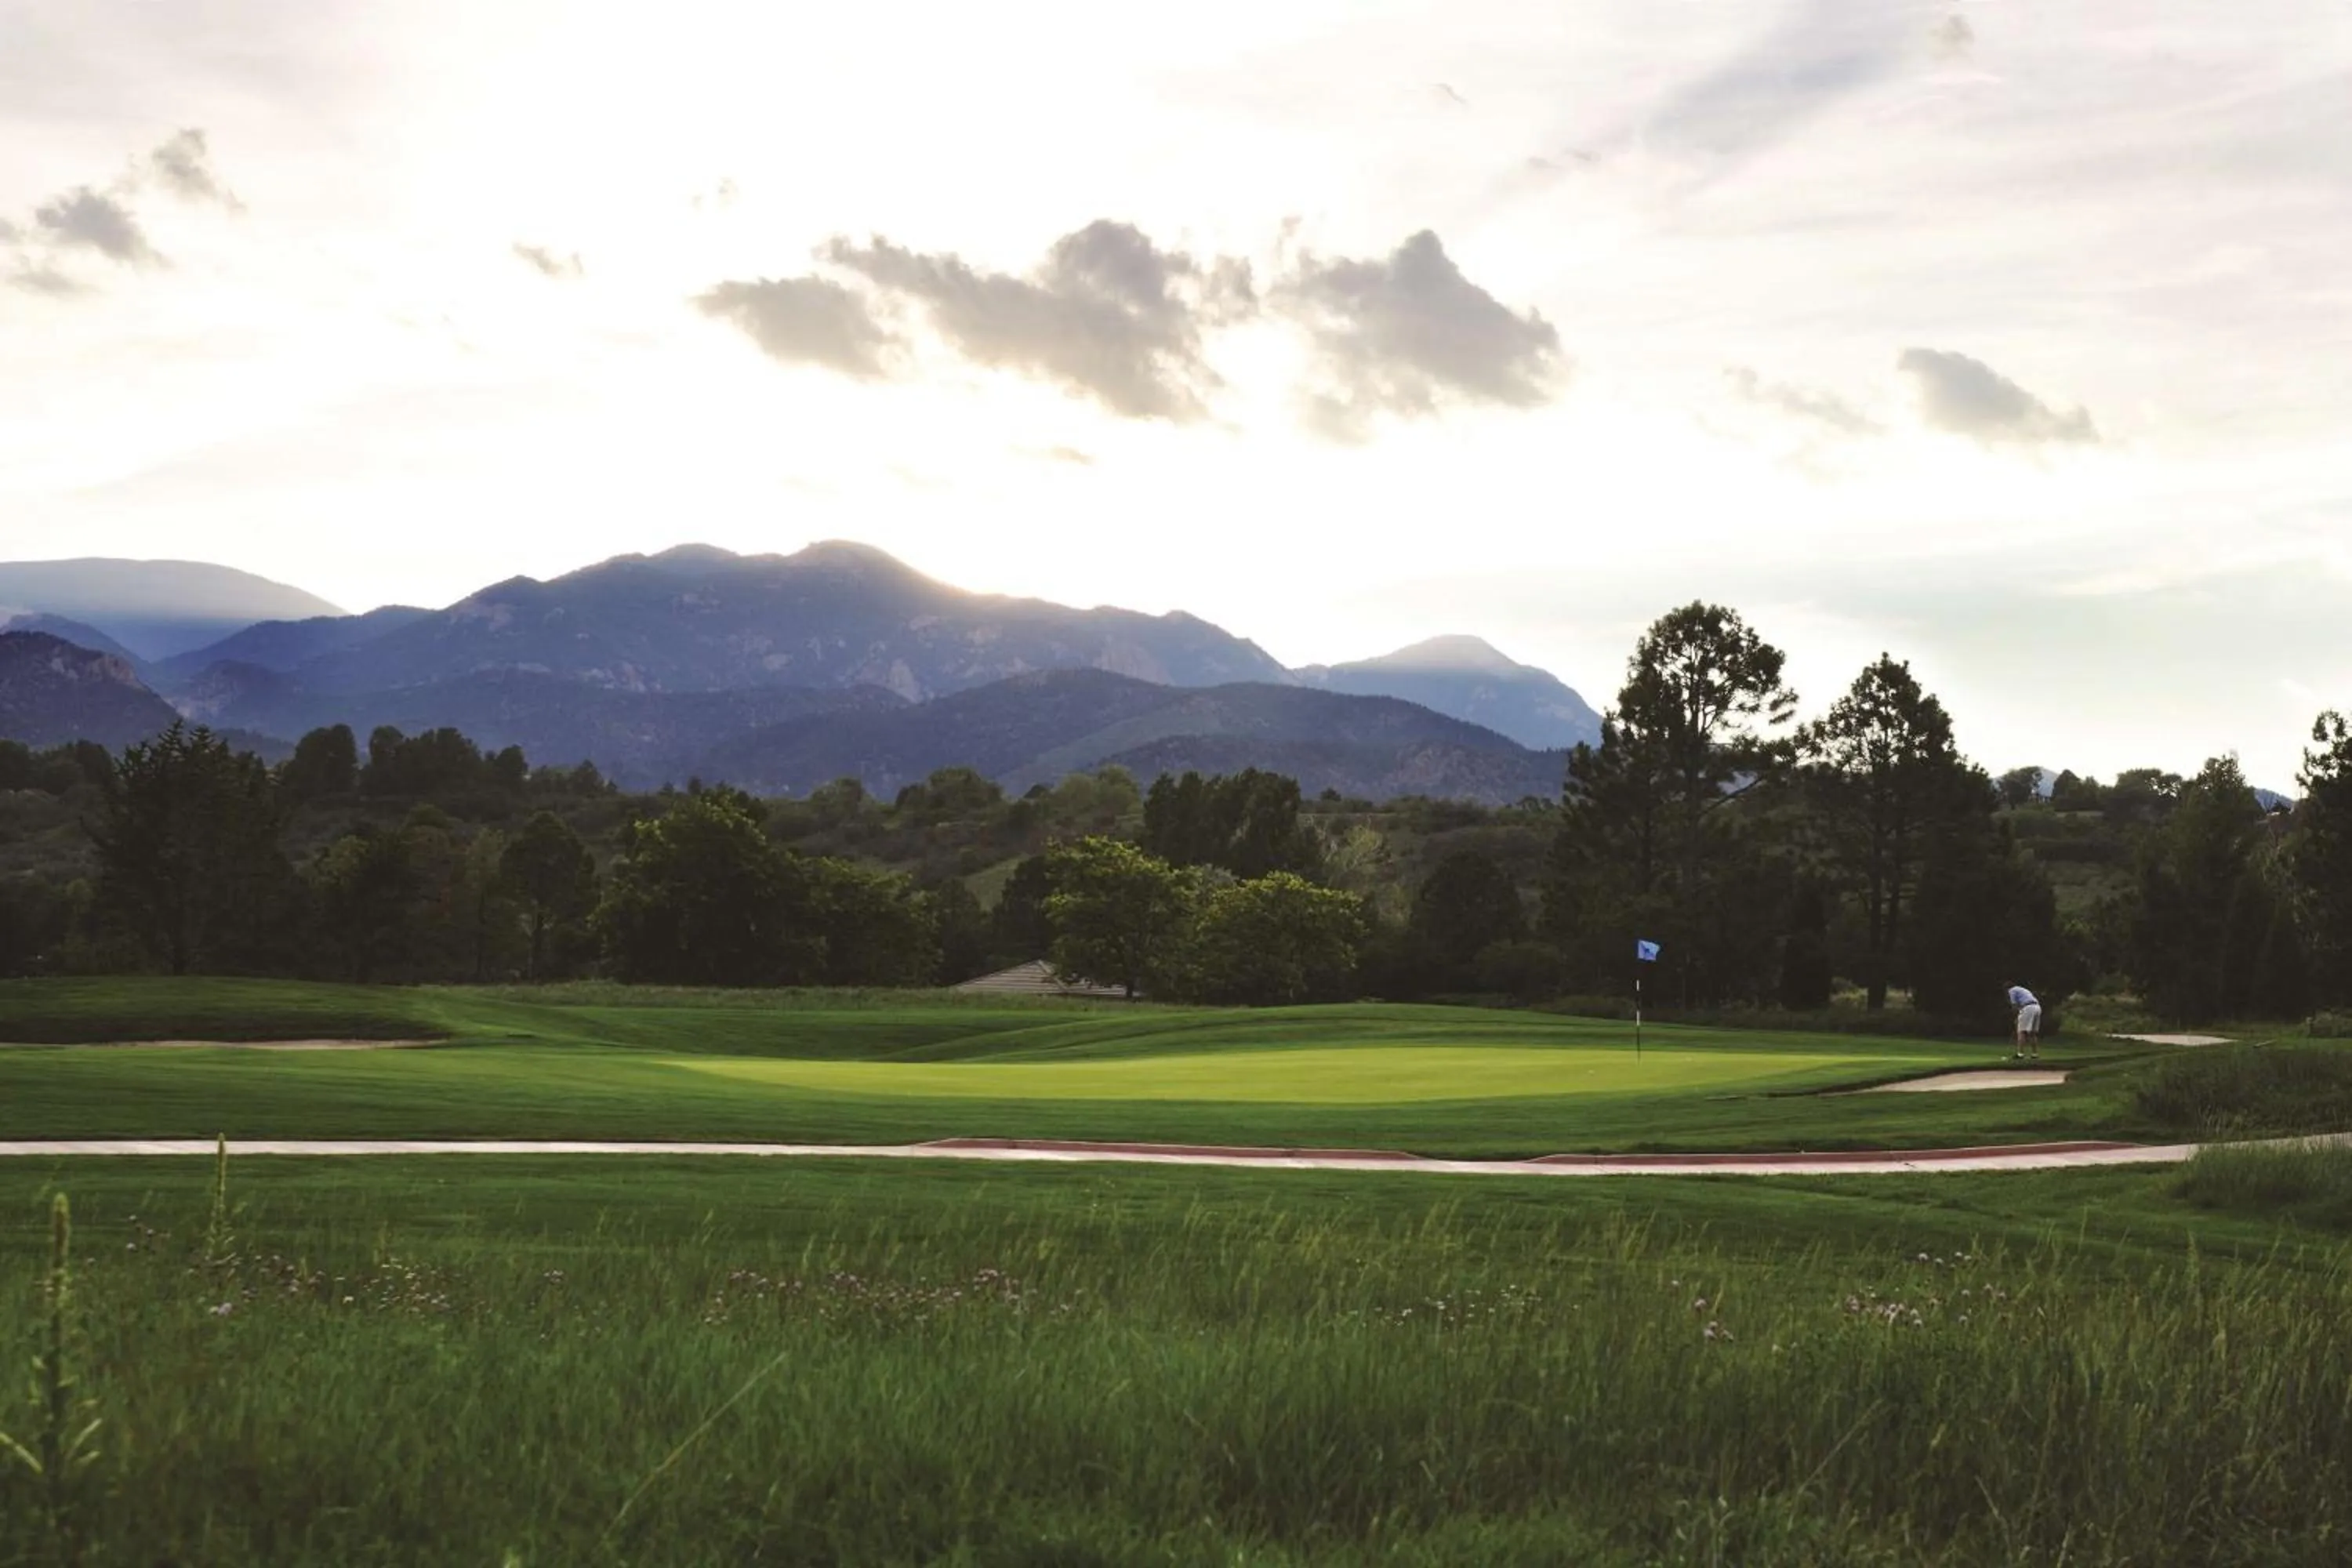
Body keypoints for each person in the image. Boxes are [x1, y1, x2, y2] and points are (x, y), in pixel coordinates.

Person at [2006, 984, 2042, 1062]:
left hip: (2028, 1008)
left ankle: (2020, 1054)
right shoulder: (2023, 989)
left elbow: (2014, 1005)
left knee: (2022, 1032)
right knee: (2032, 1033)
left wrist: (2016, 1017)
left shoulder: (2011, 990)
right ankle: (2035, 1054)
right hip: (2037, 1007)